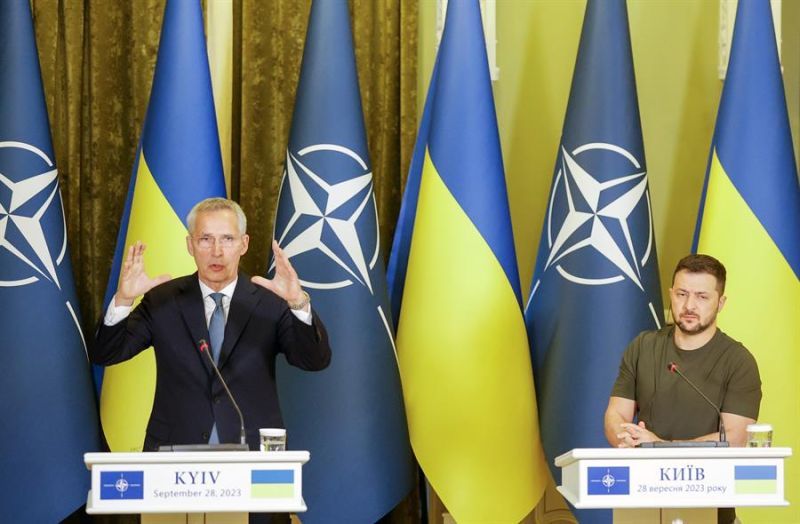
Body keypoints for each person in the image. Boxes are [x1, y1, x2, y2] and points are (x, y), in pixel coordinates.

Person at [92, 197, 331, 452]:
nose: (216, 251)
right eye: (205, 239)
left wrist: (297, 302)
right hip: (174, 452)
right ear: (190, 245)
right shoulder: (163, 301)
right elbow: (106, 352)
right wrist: (124, 299)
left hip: (251, 453)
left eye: (227, 239)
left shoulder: (271, 301)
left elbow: (314, 360)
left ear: (244, 244)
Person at [604, 254, 761, 524]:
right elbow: (615, 414)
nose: (689, 305)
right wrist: (625, 436)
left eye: (702, 296)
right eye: (682, 294)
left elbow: (734, 438)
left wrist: (660, 447)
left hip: (711, 508)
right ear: (670, 294)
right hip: (643, 503)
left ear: (720, 303)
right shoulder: (643, 346)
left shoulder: (739, 361)